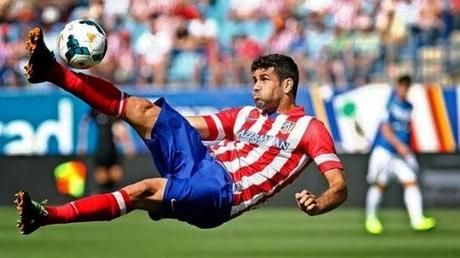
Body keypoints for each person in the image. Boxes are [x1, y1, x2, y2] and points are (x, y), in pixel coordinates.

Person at [15, 27, 347, 235]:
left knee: (143, 190)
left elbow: (339, 187)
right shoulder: (245, 115)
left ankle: (47, 216)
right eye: (254, 80)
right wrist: (145, 123)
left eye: (264, 80)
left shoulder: (309, 128)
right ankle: (52, 71)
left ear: (287, 85)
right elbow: (188, 127)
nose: (255, 88)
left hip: (222, 192)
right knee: (146, 110)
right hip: (202, 161)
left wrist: (320, 201)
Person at [365, 75, 436, 234]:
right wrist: (399, 145)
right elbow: (385, 129)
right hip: (384, 151)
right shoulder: (389, 104)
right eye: (402, 85)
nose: (404, 88)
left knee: (411, 181)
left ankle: (417, 220)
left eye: (407, 85)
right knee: (379, 185)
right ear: (398, 86)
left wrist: (407, 148)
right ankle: (371, 219)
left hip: (399, 154)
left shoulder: (409, 106)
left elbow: (406, 129)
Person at [78, 109, 135, 193]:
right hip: (101, 150)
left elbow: (121, 128)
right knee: (102, 178)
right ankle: (101, 201)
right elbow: (84, 124)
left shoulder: (114, 110)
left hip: (113, 150)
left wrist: (128, 145)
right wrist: (82, 144)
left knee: (116, 176)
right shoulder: (95, 109)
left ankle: (117, 202)